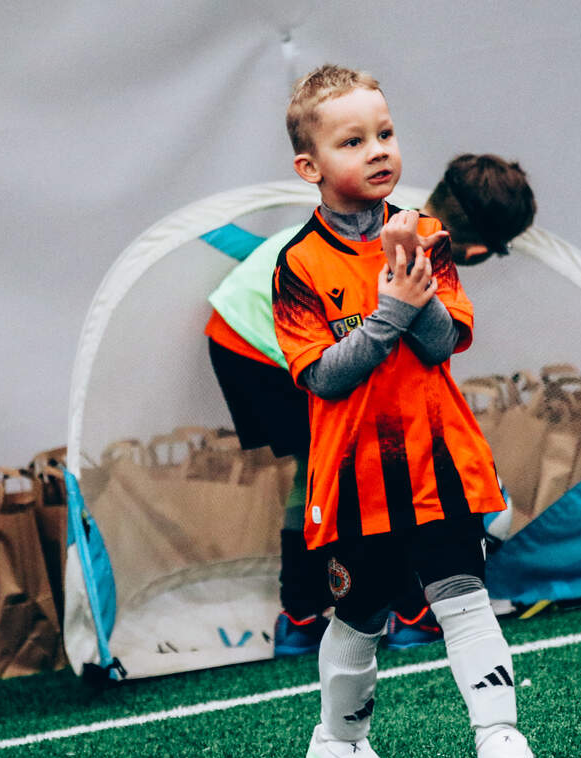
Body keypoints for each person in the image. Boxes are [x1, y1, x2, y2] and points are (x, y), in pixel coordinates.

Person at [271, 64, 549, 758]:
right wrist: (391, 306)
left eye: (385, 133)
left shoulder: (428, 236)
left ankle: (500, 736)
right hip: (356, 474)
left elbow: (442, 342)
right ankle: (338, 745)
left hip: (435, 459)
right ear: (309, 167)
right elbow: (326, 376)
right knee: (363, 613)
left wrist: (409, 273)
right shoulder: (296, 265)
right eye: (352, 141)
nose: (377, 150)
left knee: (463, 593)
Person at [206, 150, 535, 657]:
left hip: (232, 330)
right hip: (254, 341)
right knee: (361, 464)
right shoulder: (396, 246)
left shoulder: (388, 225)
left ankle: (301, 617)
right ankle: (403, 610)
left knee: (320, 470)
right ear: (476, 251)